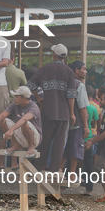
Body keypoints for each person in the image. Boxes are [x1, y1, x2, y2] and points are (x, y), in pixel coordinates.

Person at [28, 44, 77, 174]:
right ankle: (54, 169)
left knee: (44, 139)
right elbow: (71, 95)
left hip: (48, 110)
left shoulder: (45, 69)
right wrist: (72, 113)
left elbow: (30, 85)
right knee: (59, 141)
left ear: (54, 55)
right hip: (63, 111)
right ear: (64, 57)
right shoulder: (69, 72)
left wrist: (39, 98)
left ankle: (38, 167)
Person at [0, 86, 41, 165]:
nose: (14, 98)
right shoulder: (15, 104)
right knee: (3, 120)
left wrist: (11, 130)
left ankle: (31, 147)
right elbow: (2, 115)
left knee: (25, 123)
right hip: (22, 135)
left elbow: (24, 119)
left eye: (17, 97)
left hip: (35, 138)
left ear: (24, 99)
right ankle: (16, 145)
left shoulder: (33, 107)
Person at [61, 61, 90, 178]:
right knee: (75, 147)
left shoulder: (64, 83)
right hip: (76, 122)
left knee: (64, 146)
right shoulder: (79, 85)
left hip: (63, 120)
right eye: (84, 69)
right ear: (77, 70)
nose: (86, 71)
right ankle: (72, 174)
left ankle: (58, 169)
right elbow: (82, 107)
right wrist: (86, 125)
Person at [82, 85, 99, 195]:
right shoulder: (94, 107)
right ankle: (89, 189)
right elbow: (95, 122)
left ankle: (68, 183)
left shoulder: (80, 106)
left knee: (73, 160)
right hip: (89, 137)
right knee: (88, 163)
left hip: (78, 136)